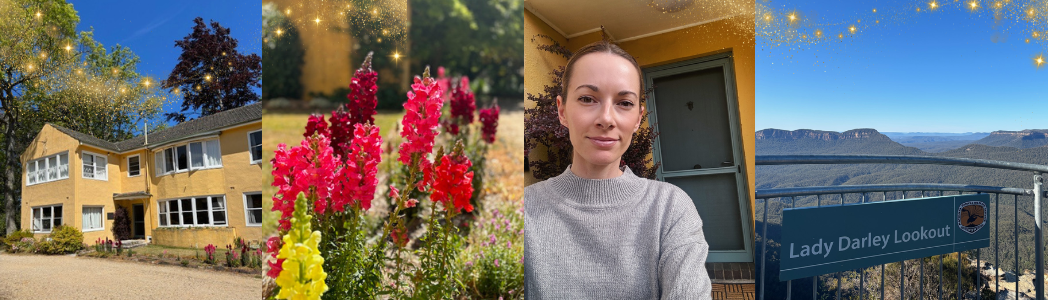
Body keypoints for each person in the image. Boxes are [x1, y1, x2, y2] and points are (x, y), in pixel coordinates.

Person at [523, 40, 712, 299]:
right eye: (588, 99)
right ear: (562, 110)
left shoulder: (670, 208)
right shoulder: (523, 212)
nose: (607, 119)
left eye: (624, 103)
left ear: (638, 118)